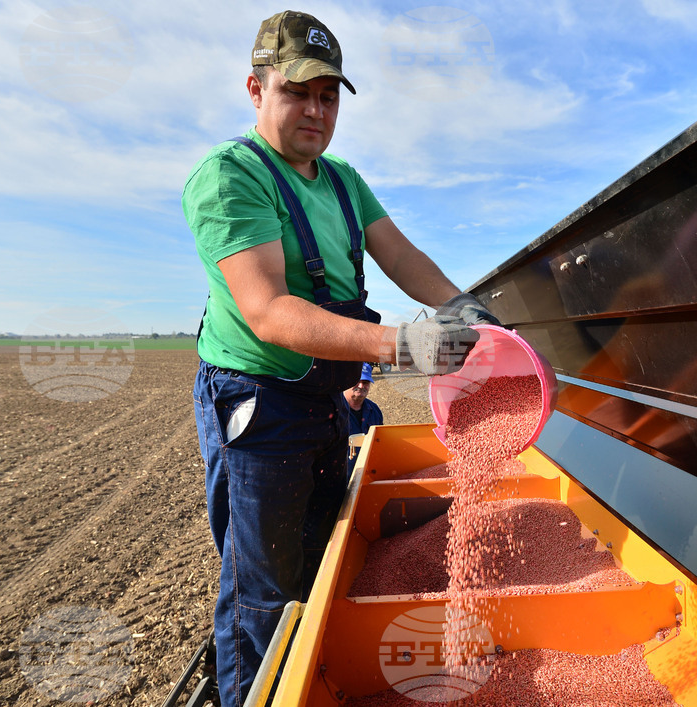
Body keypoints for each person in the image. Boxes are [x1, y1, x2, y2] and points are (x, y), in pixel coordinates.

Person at [182, 10, 500, 706]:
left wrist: (465, 307)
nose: (316, 110)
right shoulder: (229, 176)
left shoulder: (343, 180)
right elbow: (268, 311)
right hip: (256, 402)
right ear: (255, 89)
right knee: (264, 591)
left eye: (329, 96)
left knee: (327, 552)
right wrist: (403, 345)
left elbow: (402, 255)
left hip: (323, 396)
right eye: (298, 91)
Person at [344, 362, 384, 477]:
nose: (361, 386)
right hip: (339, 479)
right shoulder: (334, 410)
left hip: (367, 475)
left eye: (365, 383)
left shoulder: (374, 410)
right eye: (357, 381)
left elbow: (379, 442)